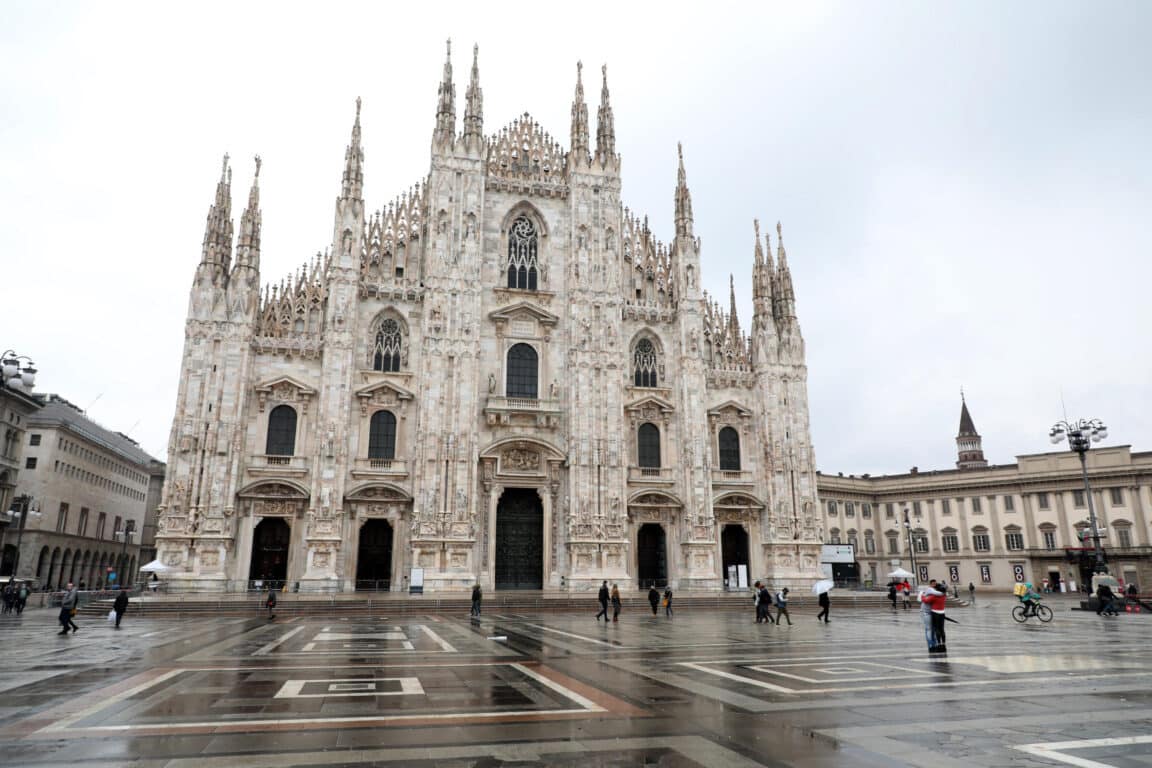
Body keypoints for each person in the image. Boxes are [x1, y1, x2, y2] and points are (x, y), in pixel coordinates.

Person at [924, 579, 947, 653]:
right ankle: (943, 645)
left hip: (935, 613)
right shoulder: (944, 596)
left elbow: (926, 600)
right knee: (942, 629)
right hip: (942, 613)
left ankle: (939, 645)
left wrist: (922, 596)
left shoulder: (934, 596)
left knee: (937, 629)